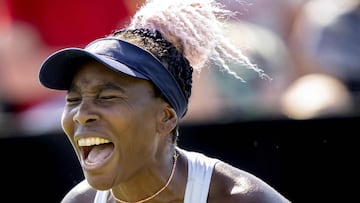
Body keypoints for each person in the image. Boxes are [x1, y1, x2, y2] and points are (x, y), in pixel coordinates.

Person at [38, 0, 291, 202]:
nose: (81, 114)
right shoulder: (80, 202)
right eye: (73, 99)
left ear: (166, 117)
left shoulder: (241, 199)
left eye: (107, 97)